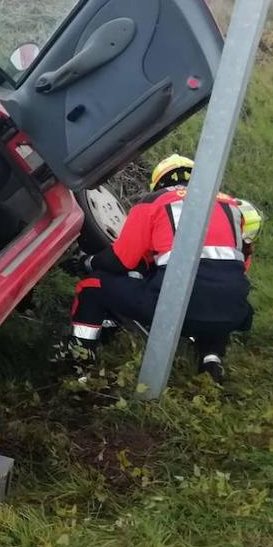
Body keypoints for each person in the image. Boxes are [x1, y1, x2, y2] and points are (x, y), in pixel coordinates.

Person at [70, 154, 253, 383]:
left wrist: (88, 262)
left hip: (177, 312)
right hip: (234, 312)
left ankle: (79, 364)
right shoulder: (232, 206)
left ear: (159, 183)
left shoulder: (154, 201)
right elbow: (242, 263)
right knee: (215, 291)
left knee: (92, 287)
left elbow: (121, 259)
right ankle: (211, 358)